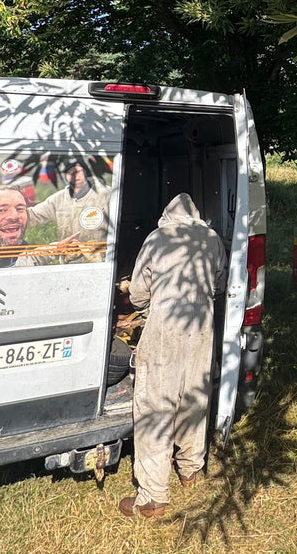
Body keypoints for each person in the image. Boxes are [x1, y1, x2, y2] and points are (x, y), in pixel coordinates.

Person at [118, 193, 228, 520]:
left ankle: (152, 497)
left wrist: (143, 303)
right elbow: (220, 284)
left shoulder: (158, 237)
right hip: (202, 329)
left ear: (167, 216)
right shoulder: (212, 238)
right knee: (195, 398)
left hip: (164, 331)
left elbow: (138, 294)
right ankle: (190, 471)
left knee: (155, 405)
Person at [28, 159, 112, 254]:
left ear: (85, 171)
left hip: (102, 263)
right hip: (68, 264)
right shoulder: (57, 199)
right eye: (70, 172)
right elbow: (33, 215)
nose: (75, 175)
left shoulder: (107, 194)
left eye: (77, 171)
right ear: (65, 176)